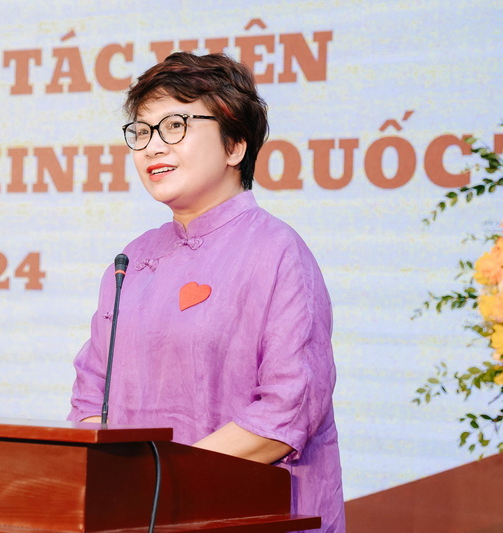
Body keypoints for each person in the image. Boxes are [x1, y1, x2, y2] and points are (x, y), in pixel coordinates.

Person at [68, 52, 344, 532]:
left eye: (175, 126)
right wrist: (121, 487)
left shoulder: (277, 252)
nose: (152, 147)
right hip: (139, 515)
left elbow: (287, 409)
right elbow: (92, 396)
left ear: (234, 145)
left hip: (248, 516)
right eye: (142, 131)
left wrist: (164, 481)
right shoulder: (131, 261)